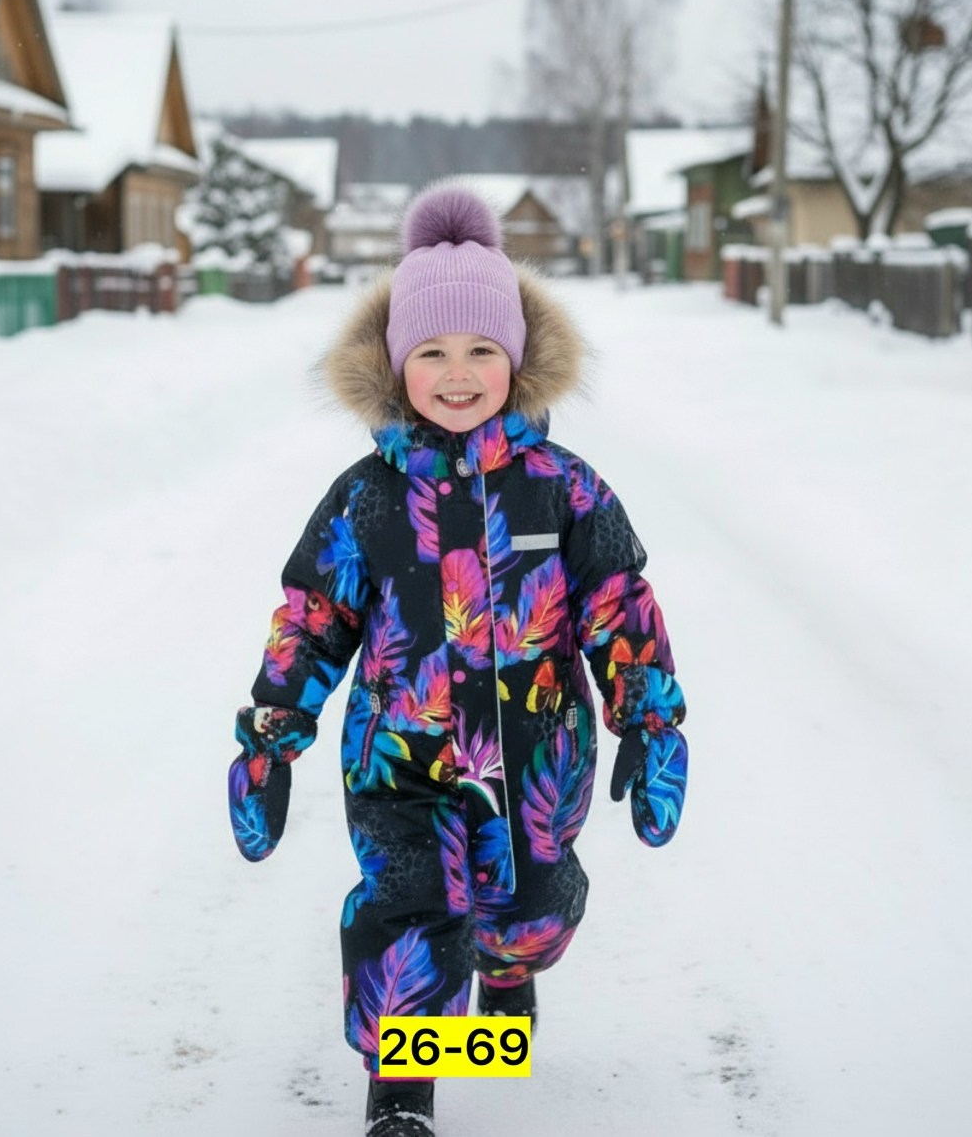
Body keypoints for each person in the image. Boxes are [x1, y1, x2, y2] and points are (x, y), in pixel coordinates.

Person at [228, 182, 688, 1137]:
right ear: (397, 366)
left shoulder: (565, 489)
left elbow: (618, 603)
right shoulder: (365, 497)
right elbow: (314, 615)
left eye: (482, 349)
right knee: (409, 914)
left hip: (536, 762)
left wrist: (648, 719)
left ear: (517, 359)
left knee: (528, 911)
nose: (458, 373)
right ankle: (403, 1092)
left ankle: (507, 976)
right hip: (400, 761)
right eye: (431, 352)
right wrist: (273, 732)